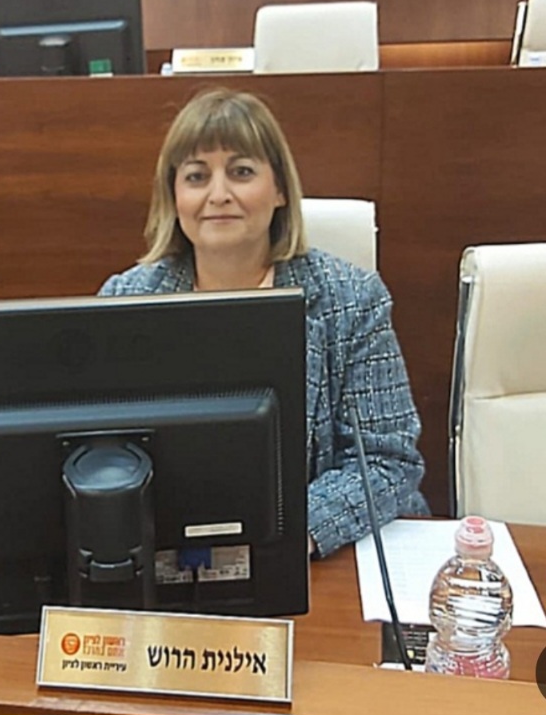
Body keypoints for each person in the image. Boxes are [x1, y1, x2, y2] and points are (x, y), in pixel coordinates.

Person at [98, 87, 429, 558]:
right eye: (196, 176)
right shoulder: (125, 300)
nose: (218, 195)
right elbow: (101, 453)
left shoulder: (352, 299)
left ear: (279, 190)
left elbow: (386, 462)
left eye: (241, 172)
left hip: (312, 554)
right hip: (168, 552)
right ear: (174, 195)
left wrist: (281, 536)